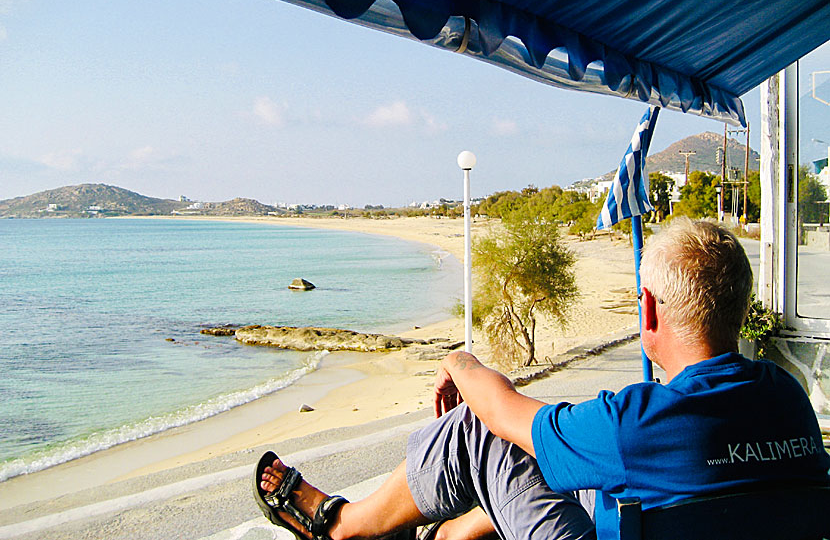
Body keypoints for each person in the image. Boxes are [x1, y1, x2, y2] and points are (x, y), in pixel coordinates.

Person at [254, 218, 830, 540]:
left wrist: (460, 362)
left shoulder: (640, 424)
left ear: (648, 310)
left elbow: (500, 413)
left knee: (479, 434)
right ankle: (443, 535)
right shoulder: (790, 400)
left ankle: (339, 525)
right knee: (567, 458)